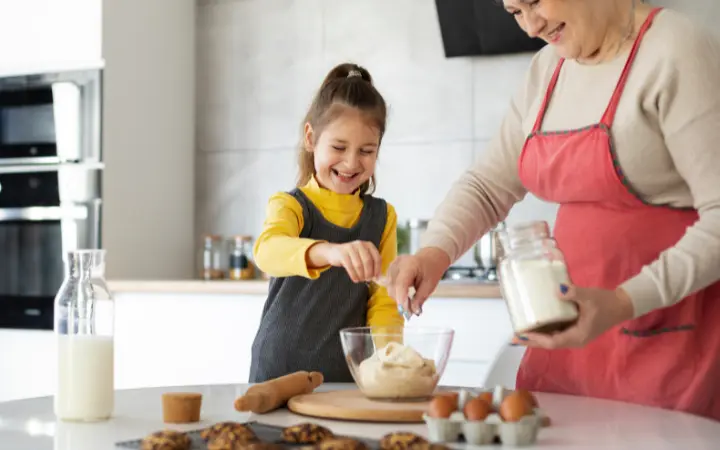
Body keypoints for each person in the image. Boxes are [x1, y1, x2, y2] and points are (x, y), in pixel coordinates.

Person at [385, 0, 720, 420]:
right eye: (514, 12)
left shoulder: (675, 49)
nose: (530, 26)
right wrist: (434, 252)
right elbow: (488, 185)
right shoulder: (549, 69)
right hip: (564, 347)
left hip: (667, 343)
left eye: (535, 2)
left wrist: (621, 302)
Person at [248, 62, 404, 383]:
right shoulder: (291, 205)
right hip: (277, 371)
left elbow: (383, 302)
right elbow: (267, 252)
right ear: (310, 137)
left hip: (345, 377)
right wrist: (330, 252)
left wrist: (392, 360)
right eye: (338, 147)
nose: (351, 162)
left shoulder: (382, 217)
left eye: (366, 150)